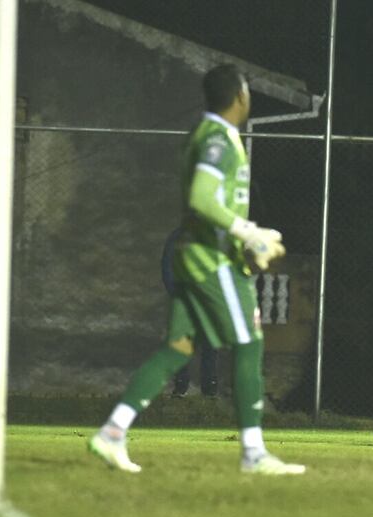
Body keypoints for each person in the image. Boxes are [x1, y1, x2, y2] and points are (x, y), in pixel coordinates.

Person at [89, 63, 305, 475]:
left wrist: (242, 240)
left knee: (178, 349)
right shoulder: (218, 141)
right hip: (211, 262)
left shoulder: (207, 136)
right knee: (250, 343)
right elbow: (203, 199)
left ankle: (113, 432)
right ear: (240, 97)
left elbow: (206, 206)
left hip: (198, 256)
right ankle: (254, 454)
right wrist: (247, 232)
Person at [161, 227, 219, 398]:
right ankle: (181, 387)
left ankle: (209, 389)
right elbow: (167, 267)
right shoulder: (179, 237)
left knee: (210, 345)